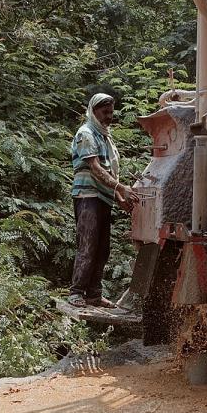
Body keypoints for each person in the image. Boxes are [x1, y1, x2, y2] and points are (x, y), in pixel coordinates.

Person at [68, 92, 139, 308]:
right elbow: (96, 169)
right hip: (88, 196)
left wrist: (119, 198)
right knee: (88, 245)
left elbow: (108, 172)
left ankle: (94, 294)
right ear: (94, 110)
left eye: (111, 111)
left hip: (103, 197)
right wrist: (121, 188)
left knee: (102, 249)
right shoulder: (86, 133)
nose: (109, 116)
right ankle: (76, 292)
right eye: (105, 112)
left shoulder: (104, 136)